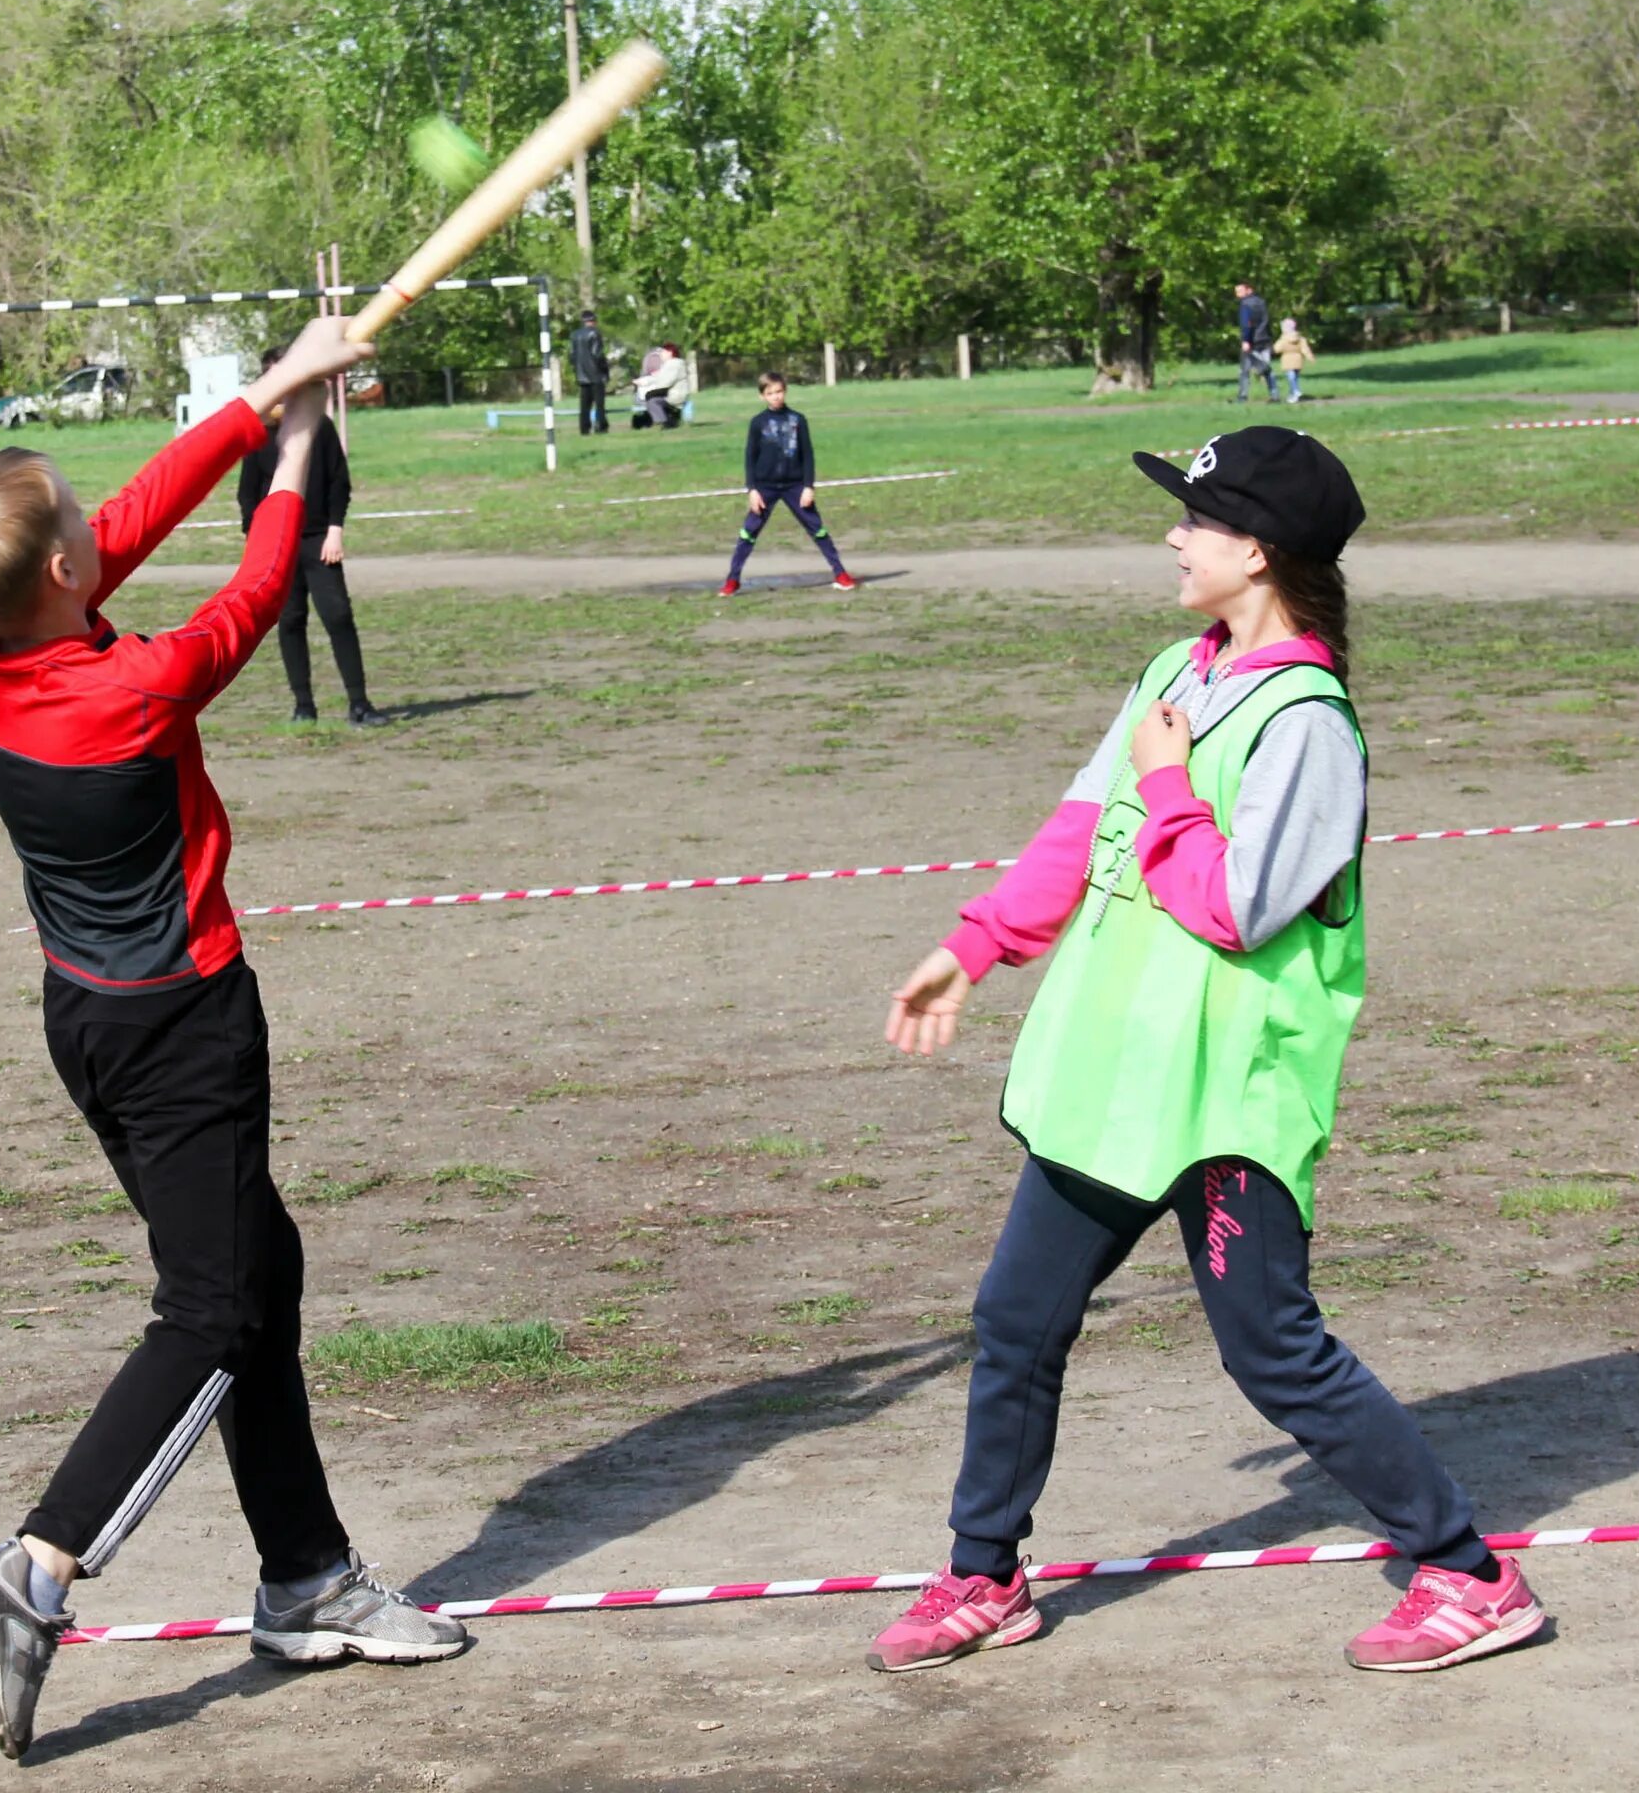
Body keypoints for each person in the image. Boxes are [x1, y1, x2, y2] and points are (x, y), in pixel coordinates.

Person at [871, 425, 1545, 1680]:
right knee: (1016, 1319)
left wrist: (1173, 779)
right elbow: (1081, 828)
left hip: (1229, 1091)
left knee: (1272, 1345)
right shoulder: (1173, 672)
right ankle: (986, 1571)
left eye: (1195, 517)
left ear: (1260, 547)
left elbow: (1236, 905)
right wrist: (973, 946)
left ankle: (1467, 1573)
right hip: (1119, 1071)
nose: (1174, 536)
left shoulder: (1308, 720)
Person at [0, 317, 467, 1764]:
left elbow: (133, 515)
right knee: (210, 1311)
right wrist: (291, 448)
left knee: (257, 1270)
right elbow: (256, 587)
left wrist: (274, 383)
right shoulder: (128, 691)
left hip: (87, 1021)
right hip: (186, 1028)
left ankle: (306, 1577)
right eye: (85, 530)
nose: (107, 524)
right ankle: (38, 1573)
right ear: (70, 577)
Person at [237, 408, 389, 728]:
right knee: (291, 620)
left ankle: (359, 704)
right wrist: (259, 543)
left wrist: (335, 529)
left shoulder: (320, 427)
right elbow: (247, 493)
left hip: (319, 540)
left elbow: (339, 481)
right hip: (279, 544)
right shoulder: (259, 435)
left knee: (338, 616)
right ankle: (303, 705)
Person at [719, 371, 857, 597]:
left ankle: (841, 574)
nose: (775, 397)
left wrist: (808, 486)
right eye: (770, 393)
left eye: (779, 391)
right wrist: (752, 489)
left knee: (817, 528)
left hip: (795, 486)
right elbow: (750, 457)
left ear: (785, 391)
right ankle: (732, 580)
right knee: (749, 532)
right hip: (765, 487)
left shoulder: (798, 420)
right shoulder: (757, 423)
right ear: (762, 396)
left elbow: (808, 455)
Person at [632, 342, 692, 429]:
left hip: (675, 395)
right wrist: (645, 381)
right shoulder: (671, 364)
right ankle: (666, 419)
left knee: (652, 400)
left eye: (663, 352)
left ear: (670, 353)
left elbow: (665, 382)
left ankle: (665, 422)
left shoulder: (673, 364)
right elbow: (659, 378)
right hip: (673, 394)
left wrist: (652, 387)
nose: (660, 354)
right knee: (650, 396)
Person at [570, 308, 610, 437]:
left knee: (584, 405)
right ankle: (600, 426)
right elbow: (597, 355)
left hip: (581, 374)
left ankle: (584, 428)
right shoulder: (594, 334)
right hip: (596, 374)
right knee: (599, 404)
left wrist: (576, 370)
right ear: (593, 321)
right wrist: (605, 370)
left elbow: (572, 356)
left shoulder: (574, 335)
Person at [1233, 283, 1272, 402]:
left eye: (1240, 291)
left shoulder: (1245, 304)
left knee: (1244, 370)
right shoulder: (1262, 302)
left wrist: (1245, 340)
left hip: (1251, 341)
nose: (1237, 294)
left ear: (1248, 290)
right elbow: (1266, 321)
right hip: (1264, 339)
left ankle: (1242, 396)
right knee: (1267, 371)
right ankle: (1274, 394)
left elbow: (1246, 325)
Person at [1273, 317, 1315, 404]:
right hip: (1298, 360)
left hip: (1287, 360)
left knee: (1291, 378)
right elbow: (1305, 349)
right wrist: (1310, 357)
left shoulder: (1283, 339)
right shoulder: (1300, 338)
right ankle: (1293, 395)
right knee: (1295, 377)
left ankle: (1296, 391)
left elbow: (1277, 349)